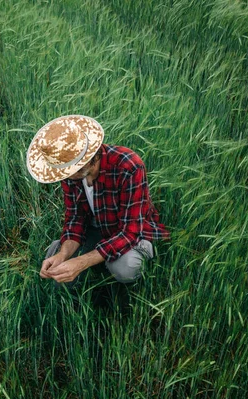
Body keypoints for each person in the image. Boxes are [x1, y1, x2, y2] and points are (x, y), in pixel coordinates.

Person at [26, 115, 169, 286]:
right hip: (96, 228)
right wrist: (63, 255)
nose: (64, 177)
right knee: (55, 260)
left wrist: (81, 262)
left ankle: (114, 265)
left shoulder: (128, 166)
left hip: (131, 233)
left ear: (88, 159)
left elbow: (129, 232)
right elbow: (75, 218)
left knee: (126, 267)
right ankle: (92, 266)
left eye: (69, 171)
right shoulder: (69, 174)